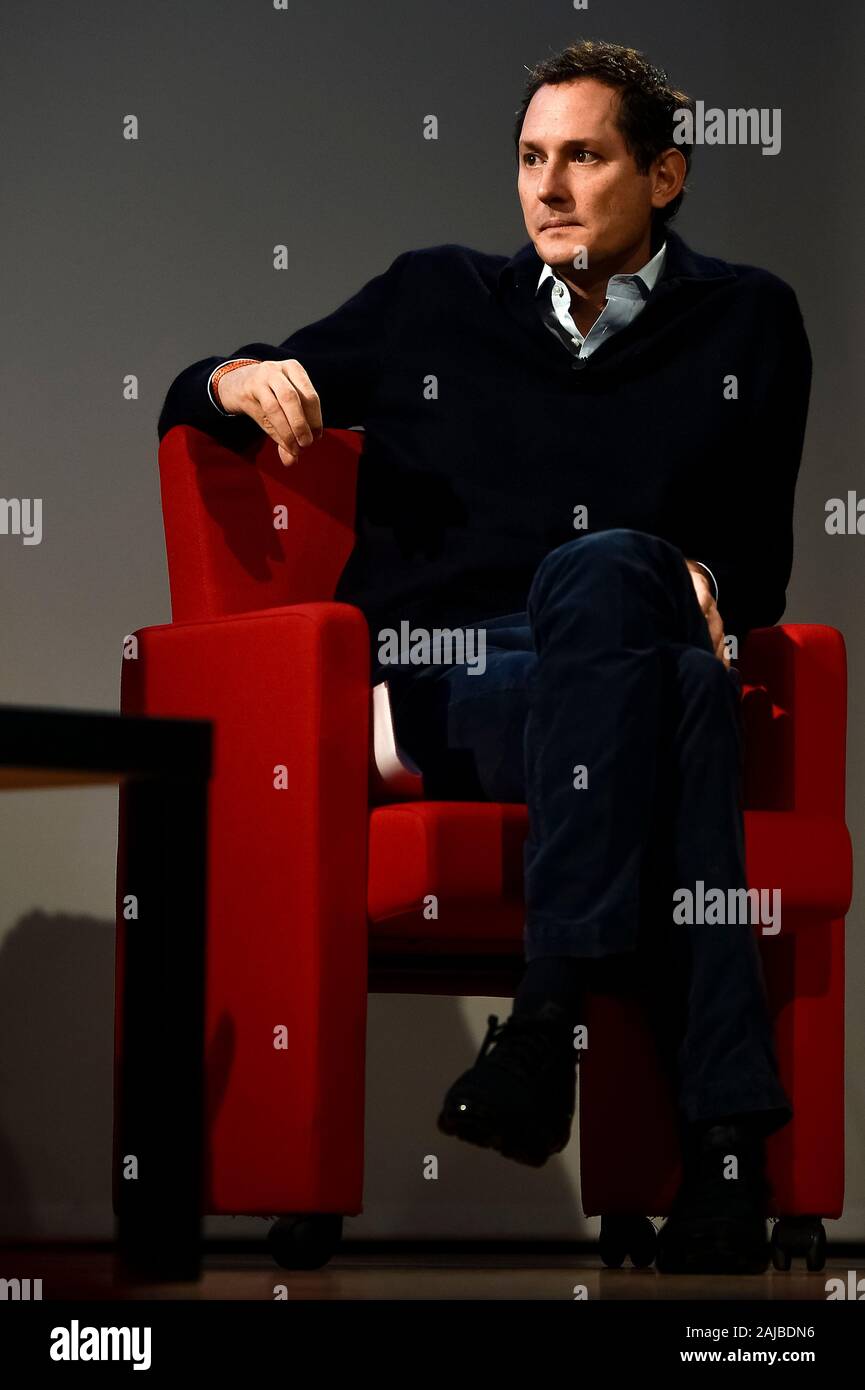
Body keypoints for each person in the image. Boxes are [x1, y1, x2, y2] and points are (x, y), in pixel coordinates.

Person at [157, 39, 812, 1274]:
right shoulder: (434, 300)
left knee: (637, 622)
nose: (547, 186)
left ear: (664, 175)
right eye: (528, 158)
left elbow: (756, 564)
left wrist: (702, 583)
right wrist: (235, 375)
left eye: (584, 156)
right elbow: (197, 399)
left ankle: (558, 1044)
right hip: (445, 683)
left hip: (616, 660)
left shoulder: (747, 319)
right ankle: (717, 1150)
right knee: (659, 665)